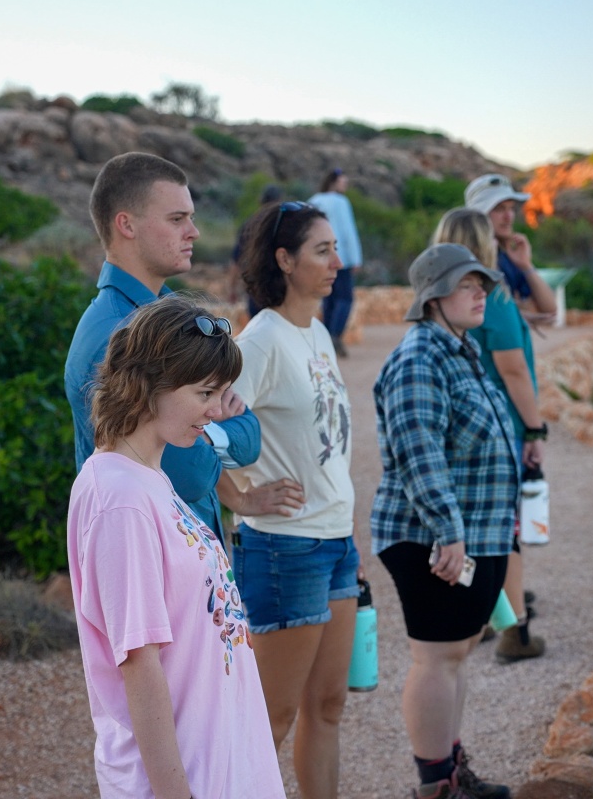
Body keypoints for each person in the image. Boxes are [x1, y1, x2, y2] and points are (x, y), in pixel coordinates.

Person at [67, 293, 285, 798]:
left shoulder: (149, 476)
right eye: (205, 393)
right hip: (186, 775)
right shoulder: (119, 498)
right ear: (149, 385)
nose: (215, 411)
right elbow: (138, 661)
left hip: (220, 760)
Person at [372, 243, 520, 799]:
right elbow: (419, 452)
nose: (481, 291)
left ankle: (453, 772)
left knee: (457, 654)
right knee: (436, 659)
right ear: (434, 296)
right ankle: (435, 786)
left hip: (470, 533)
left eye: (482, 282)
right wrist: (449, 531)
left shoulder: (460, 349)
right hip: (430, 537)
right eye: (467, 284)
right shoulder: (420, 358)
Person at [224, 199, 358, 799]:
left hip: (336, 543)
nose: (337, 261)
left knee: (328, 704)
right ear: (284, 259)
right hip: (284, 550)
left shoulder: (319, 332)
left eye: (335, 247)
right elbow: (205, 431)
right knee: (270, 719)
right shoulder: (262, 341)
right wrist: (243, 500)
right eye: (322, 250)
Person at [64, 152, 261, 545]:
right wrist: (222, 432)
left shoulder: (168, 314)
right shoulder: (117, 334)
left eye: (190, 217)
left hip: (191, 562)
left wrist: (207, 433)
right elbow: (189, 474)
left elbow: (252, 437)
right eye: (177, 219)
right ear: (127, 225)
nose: (194, 232)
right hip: (155, 562)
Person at [432, 208, 546, 664]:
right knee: (505, 530)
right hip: (495, 427)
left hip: (454, 426)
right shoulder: (491, 298)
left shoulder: (437, 300)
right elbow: (513, 369)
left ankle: (476, 618)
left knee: (471, 526)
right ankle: (514, 631)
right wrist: (535, 426)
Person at [464, 173, 557, 322]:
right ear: (479, 214)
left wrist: (525, 265)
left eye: (511, 208)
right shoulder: (464, 259)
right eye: (499, 209)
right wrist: (516, 314)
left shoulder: (506, 257)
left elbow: (550, 309)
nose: (509, 216)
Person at [309, 168, 363, 358]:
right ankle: (335, 335)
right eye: (342, 182)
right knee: (345, 298)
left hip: (319, 257)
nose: (345, 186)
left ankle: (325, 338)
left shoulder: (314, 200)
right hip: (342, 258)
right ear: (333, 182)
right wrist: (355, 258)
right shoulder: (341, 202)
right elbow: (348, 231)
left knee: (328, 298)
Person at [229, 183, 283, 317]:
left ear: (261, 201)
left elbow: (236, 261)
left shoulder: (249, 224)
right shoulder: (283, 225)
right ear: (279, 201)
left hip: (255, 288)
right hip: (280, 288)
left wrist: (232, 289)